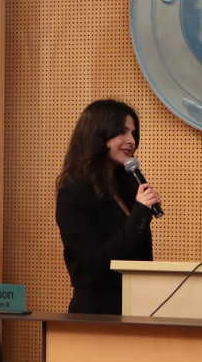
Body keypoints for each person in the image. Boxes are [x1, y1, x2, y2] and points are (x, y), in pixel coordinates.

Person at [55, 99, 162, 314]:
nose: (131, 141)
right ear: (98, 134)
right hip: (98, 311)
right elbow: (96, 262)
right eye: (122, 132)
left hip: (137, 307)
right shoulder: (73, 194)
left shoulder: (127, 189)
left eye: (133, 133)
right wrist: (140, 213)